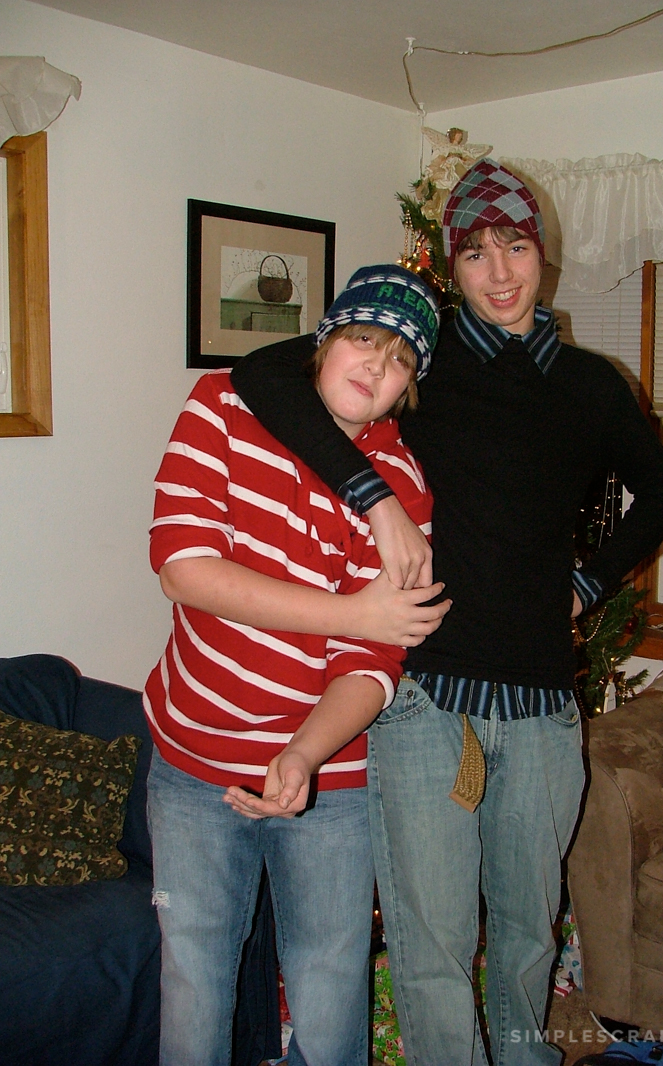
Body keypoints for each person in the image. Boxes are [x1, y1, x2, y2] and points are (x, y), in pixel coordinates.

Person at [230, 159, 663, 1066]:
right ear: (452, 267)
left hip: (543, 707)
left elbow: (662, 495)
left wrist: (587, 586)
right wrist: (375, 499)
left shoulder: (590, 385)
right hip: (427, 701)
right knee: (431, 945)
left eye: (515, 247)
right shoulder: (424, 366)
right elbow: (265, 368)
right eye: (475, 254)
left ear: (542, 253)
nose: (499, 272)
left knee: (525, 935)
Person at [144, 264, 448, 1066]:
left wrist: (304, 754)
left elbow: (373, 662)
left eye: (401, 360)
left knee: (329, 985)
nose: (376, 367)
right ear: (323, 341)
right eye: (363, 340)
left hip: (331, 775)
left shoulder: (405, 489)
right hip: (193, 757)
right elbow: (184, 568)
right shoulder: (221, 406)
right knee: (193, 980)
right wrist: (355, 613)